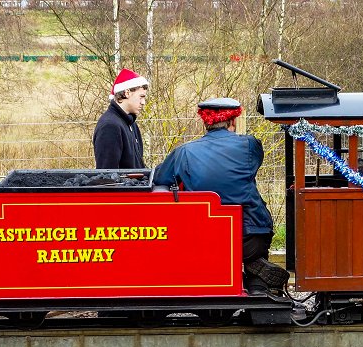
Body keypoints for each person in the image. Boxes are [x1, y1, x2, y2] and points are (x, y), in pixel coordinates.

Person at [152, 98, 288, 295]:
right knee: (255, 245)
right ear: (233, 122)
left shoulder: (183, 152)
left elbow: (161, 178)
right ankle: (256, 282)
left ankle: (217, 277)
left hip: (206, 237)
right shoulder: (250, 145)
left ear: (205, 123)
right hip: (250, 235)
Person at [93, 68, 149, 169]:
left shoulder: (131, 123)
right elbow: (107, 177)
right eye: (141, 97)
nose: (143, 102)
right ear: (127, 93)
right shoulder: (110, 126)